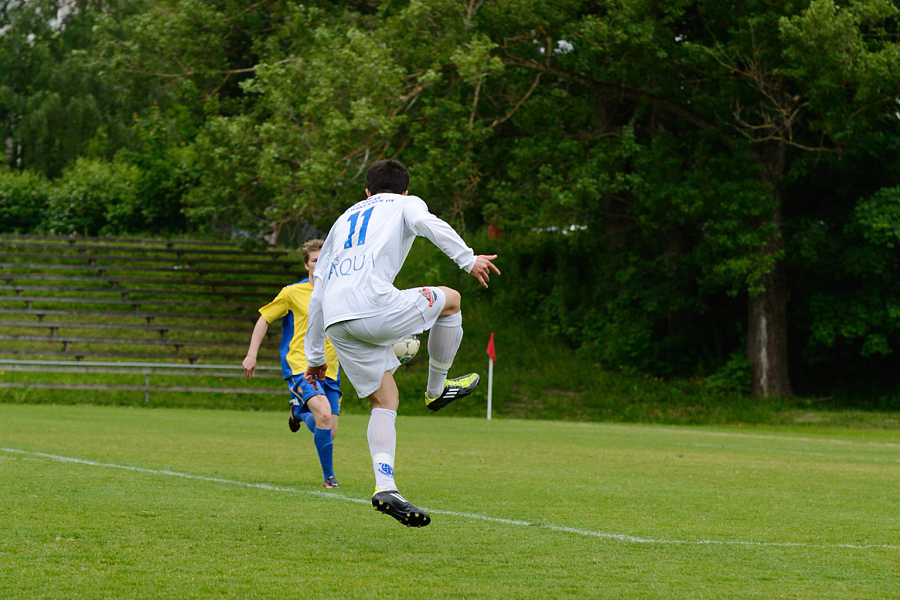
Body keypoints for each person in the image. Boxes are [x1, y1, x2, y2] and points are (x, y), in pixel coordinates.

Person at [304, 159, 499, 527]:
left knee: (386, 399)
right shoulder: (406, 204)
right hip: (373, 306)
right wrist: (468, 259)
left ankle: (386, 486)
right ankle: (436, 390)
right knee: (452, 299)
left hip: (336, 319)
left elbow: (317, 293)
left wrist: (315, 357)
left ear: (367, 192)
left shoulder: (343, 220)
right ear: (405, 190)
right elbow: (430, 225)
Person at [243, 239, 343, 489]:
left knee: (328, 427)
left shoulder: (340, 290)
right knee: (323, 413)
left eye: (324, 260)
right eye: (314, 261)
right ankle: (329, 477)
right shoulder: (292, 293)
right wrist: (251, 354)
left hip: (331, 368)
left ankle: (298, 412)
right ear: (307, 265)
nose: (319, 265)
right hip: (300, 365)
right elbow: (264, 318)